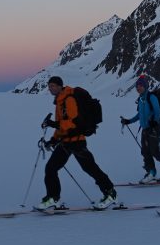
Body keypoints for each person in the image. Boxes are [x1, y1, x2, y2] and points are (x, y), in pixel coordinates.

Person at [36, 76, 117, 210]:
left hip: (77, 141)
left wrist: (53, 124)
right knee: (50, 168)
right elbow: (62, 126)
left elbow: (73, 122)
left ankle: (110, 193)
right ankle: (53, 198)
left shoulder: (69, 99)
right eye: (49, 86)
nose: (50, 89)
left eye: (53, 86)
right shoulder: (59, 102)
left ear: (60, 86)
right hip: (66, 142)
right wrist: (53, 140)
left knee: (90, 168)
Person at [121, 75, 160, 183]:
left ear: (145, 86)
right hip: (145, 129)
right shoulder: (141, 100)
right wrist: (128, 121)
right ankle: (151, 172)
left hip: (154, 128)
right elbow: (139, 115)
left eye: (140, 85)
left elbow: (157, 110)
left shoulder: (151, 97)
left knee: (155, 151)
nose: (138, 88)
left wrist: (155, 121)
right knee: (145, 151)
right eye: (137, 86)